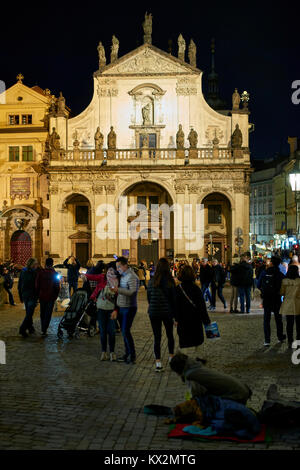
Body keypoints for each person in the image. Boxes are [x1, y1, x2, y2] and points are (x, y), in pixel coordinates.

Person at [170, 353, 252, 405]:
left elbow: (198, 397)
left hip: (236, 396)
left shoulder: (191, 375)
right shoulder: (197, 366)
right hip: (242, 390)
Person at [147, 258, 177, 372]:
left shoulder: (152, 280)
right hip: (167, 312)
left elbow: (149, 297)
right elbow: (174, 300)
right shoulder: (170, 281)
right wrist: (176, 317)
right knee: (170, 335)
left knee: (157, 337)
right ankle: (171, 357)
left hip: (154, 312)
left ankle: (158, 362)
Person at [175, 265, 211, 357]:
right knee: (198, 342)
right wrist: (206, 321)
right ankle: (199, 361)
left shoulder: (178, 289)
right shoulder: (196, 289)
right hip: (195, 320)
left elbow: (174, 306)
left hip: (182, 321)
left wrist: (175, 319)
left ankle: (183, 364)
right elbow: (202, 307)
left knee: (183, 343)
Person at [111, 257, 139, 364]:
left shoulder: (132, 276)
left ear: (125, 265)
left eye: (119, 267)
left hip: (129, 308)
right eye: (117, 267)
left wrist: (118, 290)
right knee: (124, 332)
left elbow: (132, 292)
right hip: (122, 307)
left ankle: (132, 355)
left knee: (126, 331)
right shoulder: (123, 276)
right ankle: (127, 353)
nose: (118, 269)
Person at [257, 255, 286, 347]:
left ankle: (267, 340)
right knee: (278, 319)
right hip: (277, 299)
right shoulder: (280, 274)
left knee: (266, 320)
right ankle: (280, 337)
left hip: (266, 299)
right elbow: (283, 288)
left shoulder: (264, 272)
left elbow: (258, 285)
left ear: (271, 263)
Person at [94, 265, 118, 361]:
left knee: (111, 332)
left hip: (111, 310)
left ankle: (112, 352)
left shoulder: (117, 283)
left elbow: (118, 299)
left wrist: (116, 310)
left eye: (112, 272)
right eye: (108, 271)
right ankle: (103, 352)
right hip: (101, 309)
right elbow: (92, 277)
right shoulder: (102, 280)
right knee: (103, 331)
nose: (109, 273)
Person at [35, 258, 60, 336]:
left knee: (42, 312)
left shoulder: (41, 273)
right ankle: (44, 329)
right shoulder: (54, 274)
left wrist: (38, 294)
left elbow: (37, 285)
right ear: (52, 264)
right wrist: (56, 296)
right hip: (51, 296)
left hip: (42, 296)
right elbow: (57, 286)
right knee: (48, 314)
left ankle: (43, 328)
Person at [280, 265, 300, 348]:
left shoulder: (284, 281)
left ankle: (290, 341)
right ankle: (298, 340)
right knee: (299, 324)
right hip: (298, 303)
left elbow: (282, 292)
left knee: (289, 323)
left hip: (288, 303)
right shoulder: (299, 281)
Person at [18, 258, 39, 338]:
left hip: (25, 295)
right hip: (31, 295)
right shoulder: (34, 273)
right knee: (29, 313)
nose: (37, 265)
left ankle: (30, 328)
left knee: (29, 312)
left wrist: (20, 295)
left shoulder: (23, 272)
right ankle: (22, 329)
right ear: (32, 265)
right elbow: (36, 285)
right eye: (36, 264)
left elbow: (19, 285)